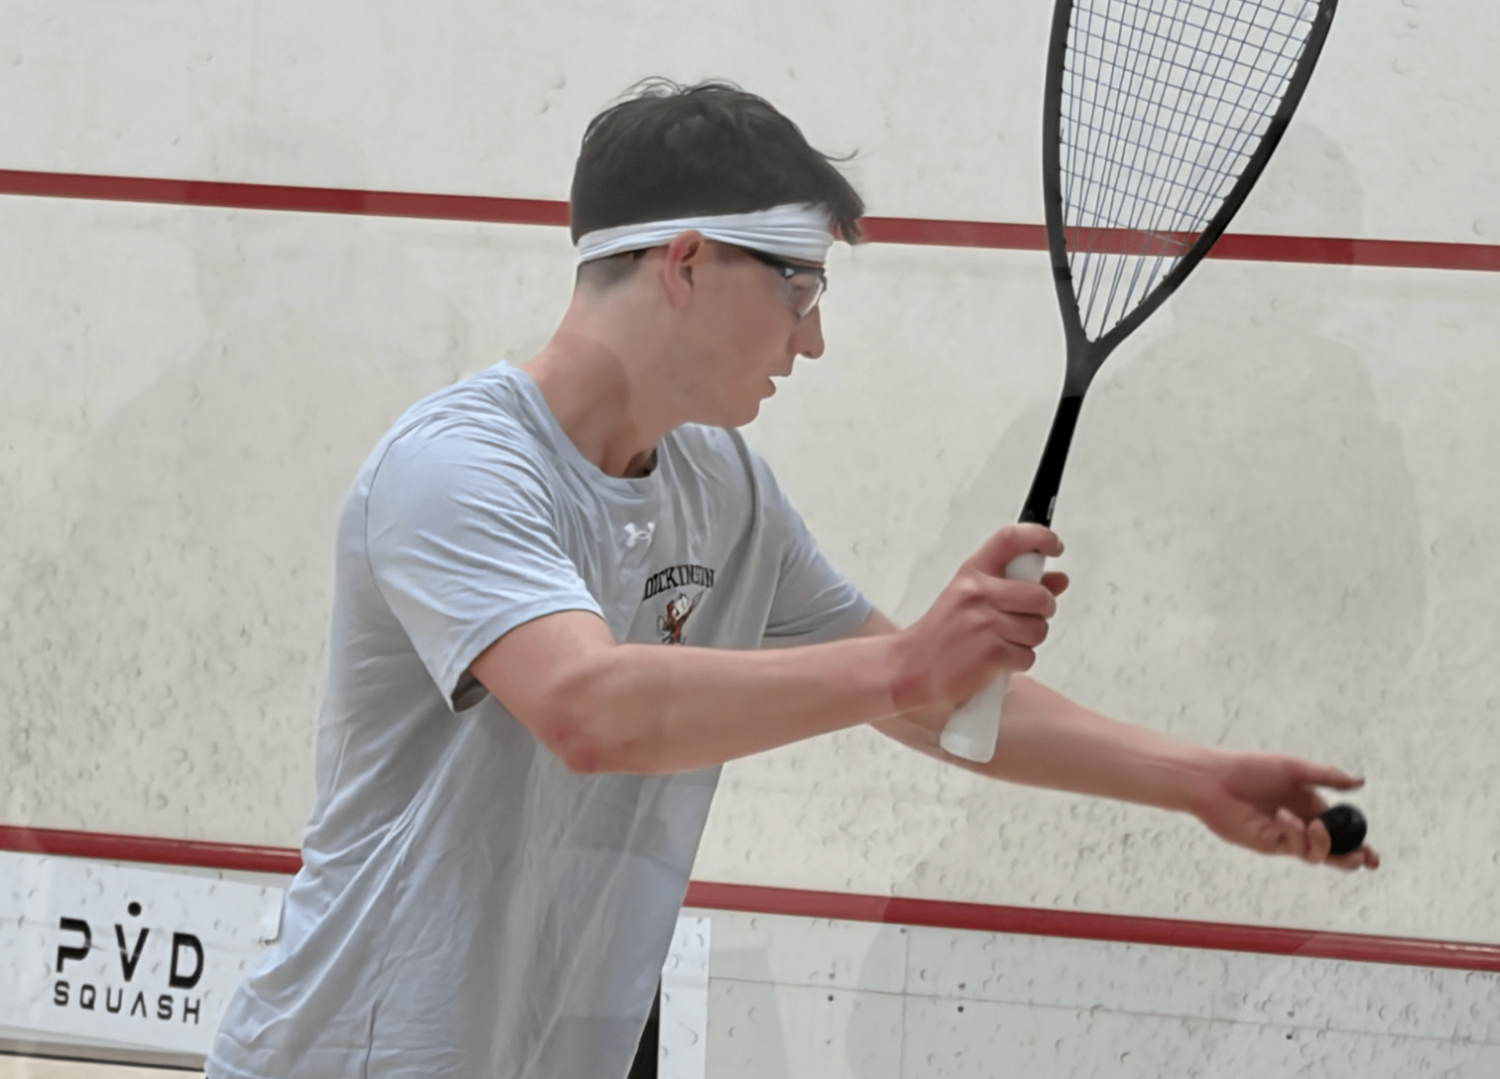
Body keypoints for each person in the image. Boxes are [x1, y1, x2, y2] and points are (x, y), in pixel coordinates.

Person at [206, 80, 1377, 1079]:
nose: (810, 340)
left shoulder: (725, 488)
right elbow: (588, 708)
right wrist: (907, 658)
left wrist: (1194, 776)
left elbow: (928, 700)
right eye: (801, 289)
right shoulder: (456, 467)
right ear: (687, 262)